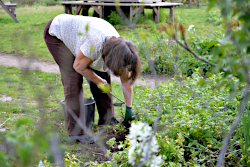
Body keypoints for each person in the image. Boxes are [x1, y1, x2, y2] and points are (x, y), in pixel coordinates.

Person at [43, 14, 141, 143]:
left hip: (84, 37)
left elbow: (126, 78)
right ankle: (76, 133)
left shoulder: (121, 50)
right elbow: (78, 66)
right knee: (73, 78)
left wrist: (129, 108)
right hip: (57, 33)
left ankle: (107, 118)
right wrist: (98, 81)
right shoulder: (95, 43)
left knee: (101, 72)